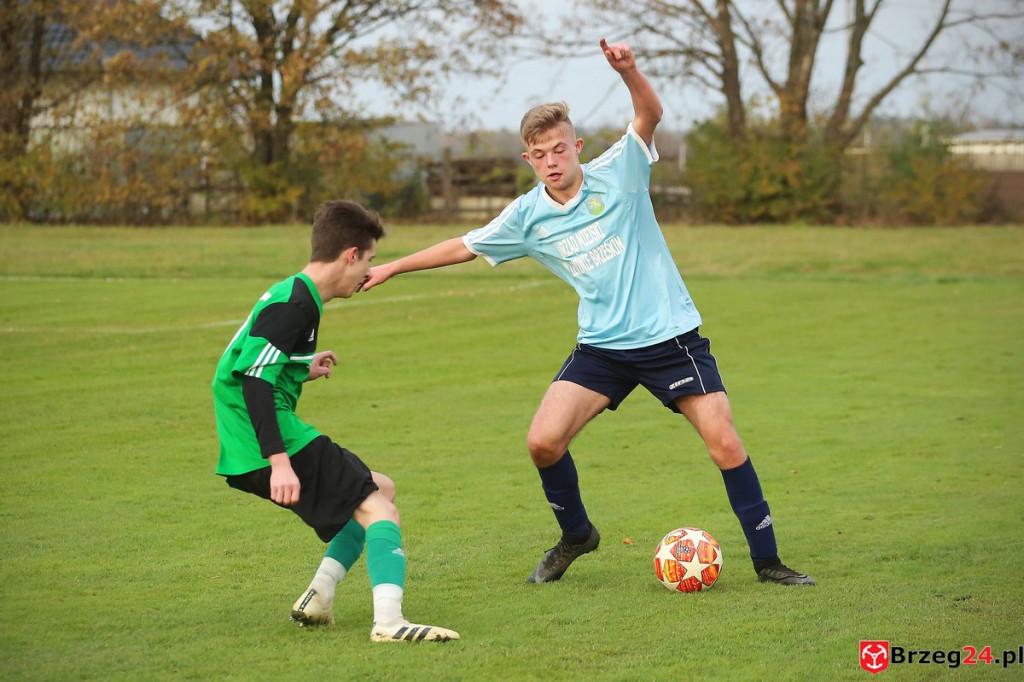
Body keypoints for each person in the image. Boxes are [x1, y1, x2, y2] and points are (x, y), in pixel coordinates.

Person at [362, 40, 815, 587]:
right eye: (539, 154)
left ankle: (768, 562)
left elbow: (650, 114)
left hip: (669, 338)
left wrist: (629, 71)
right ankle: (577, 534)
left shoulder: (620, 169)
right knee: (542, 442)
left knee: (725, 442)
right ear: (527, 160)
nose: (551, 162)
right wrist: (391, 268)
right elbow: (464, 245)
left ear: (575, 145)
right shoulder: (526, 215)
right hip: (602, 347)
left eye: (559, 149)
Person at [212, 199, 460, 642]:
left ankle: (318, 597)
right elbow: (252, 379)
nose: (368, 272)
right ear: (350, 254)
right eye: (369, 260)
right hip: (264, 436)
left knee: (378, 488)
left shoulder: (297, 293)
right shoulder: (295, 306)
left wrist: (300, 367)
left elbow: (252, 361)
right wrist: (280, 461)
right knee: (380, 508)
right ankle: (389, 623)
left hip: (251, 436)